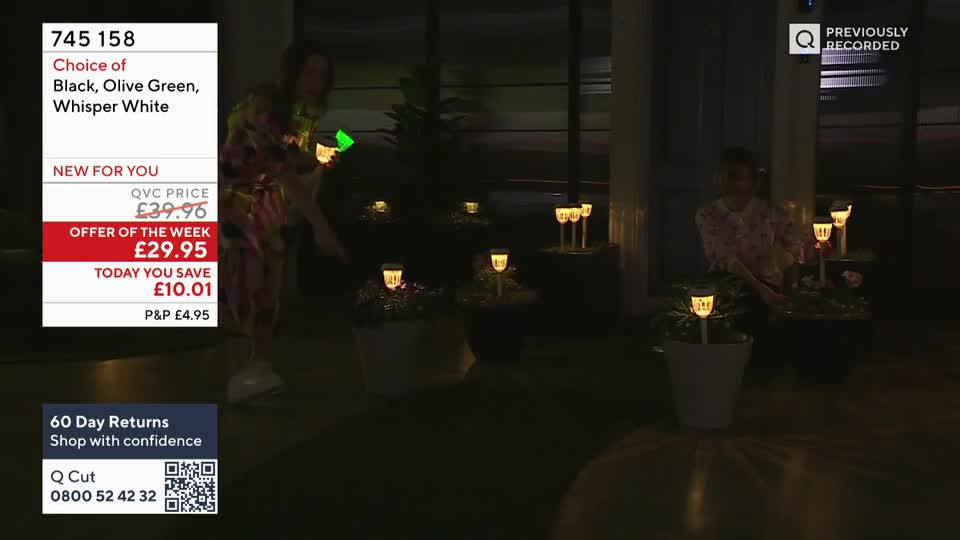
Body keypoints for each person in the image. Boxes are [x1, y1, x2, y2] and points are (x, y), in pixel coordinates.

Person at [218, 41, 346, 403]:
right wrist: (321, 226)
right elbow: (283, 168)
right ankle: (241, 375)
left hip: (269, 204)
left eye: (322, 74)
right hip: (238, 202)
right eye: (309, 71)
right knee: (244, 283)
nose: (315, 80)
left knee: (269, 290)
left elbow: (293, 156)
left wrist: (321, 156)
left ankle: (261, 371)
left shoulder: (303, 114)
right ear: (292, 71)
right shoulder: (264, 105)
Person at [695, 147, 801, 378]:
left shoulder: (770, 212)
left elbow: (796, 244)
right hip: (727, 283)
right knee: (741, 301)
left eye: (741, 178)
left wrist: (815, 250)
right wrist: (761, 290)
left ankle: (754, 368)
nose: (736, 185)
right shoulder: (708, 215)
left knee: (757, 310)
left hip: (766, 281)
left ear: (753, 180)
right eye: (730, 177)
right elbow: (726, 259)